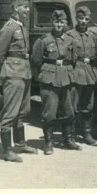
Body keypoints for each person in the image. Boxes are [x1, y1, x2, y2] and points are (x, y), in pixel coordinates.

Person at [0, 0, 38, 163]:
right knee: (10, 112)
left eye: (27, 7)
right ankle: (7, 150)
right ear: (15, 8)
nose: (27, 10)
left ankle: (19, 143)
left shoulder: (21, 26)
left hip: (24, 73)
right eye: (24, 7)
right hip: (13, 73)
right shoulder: (9, 27)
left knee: (23, 110)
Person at [31, 10, 81, 155]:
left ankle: (68, 140)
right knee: (49, 113)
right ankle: (48, 142)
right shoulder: (44, 40)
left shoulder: (71, 40)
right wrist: (44, 76)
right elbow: (36, 61)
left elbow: (73, 59)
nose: (59, 25)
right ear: (52, 23)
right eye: (56, 22)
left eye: (62, 22)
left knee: (69, 112)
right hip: (49, 79)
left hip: (66, 77)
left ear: (65, 23)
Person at [67, 6, 97, 146]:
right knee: (73, 106)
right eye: (81, 18)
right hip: (75, 73)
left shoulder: (93, 36)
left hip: (90, 74)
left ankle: (87, 134)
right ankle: (71, 136)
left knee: (88, 106)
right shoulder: (69, 35)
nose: (83, 21)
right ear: (77, 19)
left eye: (86, 19)